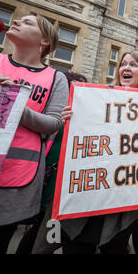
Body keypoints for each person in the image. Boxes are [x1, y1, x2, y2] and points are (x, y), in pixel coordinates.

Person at [0, 13, 69, 254]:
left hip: (15, 178)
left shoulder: (55, 78)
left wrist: (14, 100)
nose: (16, 21)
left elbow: (53, 123)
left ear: (44, 42)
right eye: (18, 19)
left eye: (27, 22)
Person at [59, 51, 138, 254]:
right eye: (123, 64)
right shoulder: (97, 98)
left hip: (123, 198)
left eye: (134, 64)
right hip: (89, 193)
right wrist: (71, 118)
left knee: (115, 246)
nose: (126, 68)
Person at [15, 72, 87, 254]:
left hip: (67, 188)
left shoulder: (84, 115)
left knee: (50, 233)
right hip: (47, 181)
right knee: (38, 232)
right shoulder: (55, 114)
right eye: (76, 88)